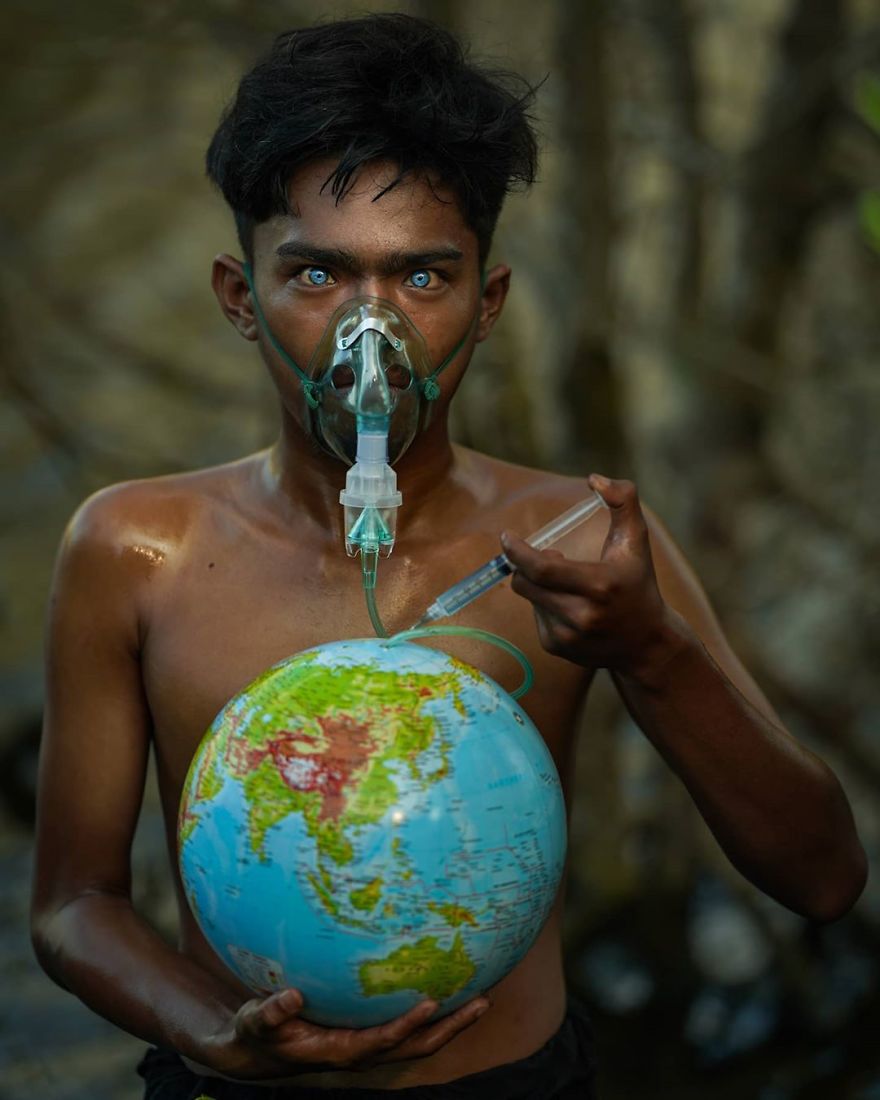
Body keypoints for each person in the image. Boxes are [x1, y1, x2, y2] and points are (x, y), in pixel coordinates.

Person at [31, 13, 867, 1100]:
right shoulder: (136, 548)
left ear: (488, 301)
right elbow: (68, 905)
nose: (368, 334)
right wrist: (215, 1029)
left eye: (422, 279)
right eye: (318, 275)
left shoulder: (582, 542)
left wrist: (652, 649)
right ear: (243, 298)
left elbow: (821, 874)